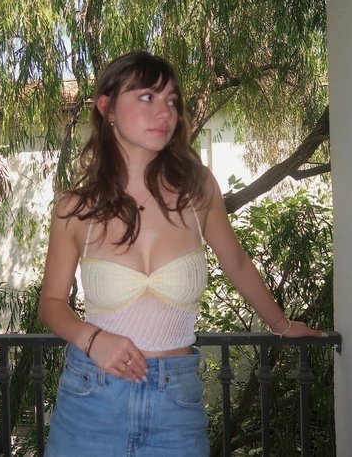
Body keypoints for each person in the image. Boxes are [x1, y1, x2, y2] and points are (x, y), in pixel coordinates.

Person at [38, 51, 324, 457]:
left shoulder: (197, 191)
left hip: (176, 402)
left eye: (172, 101)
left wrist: (280, 324)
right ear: (107, 108)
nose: (165, 112)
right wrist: (93, 339)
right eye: (147, 97)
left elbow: (237, 262)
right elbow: (51, 304)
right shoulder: (75, 207)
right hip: (92, 395)